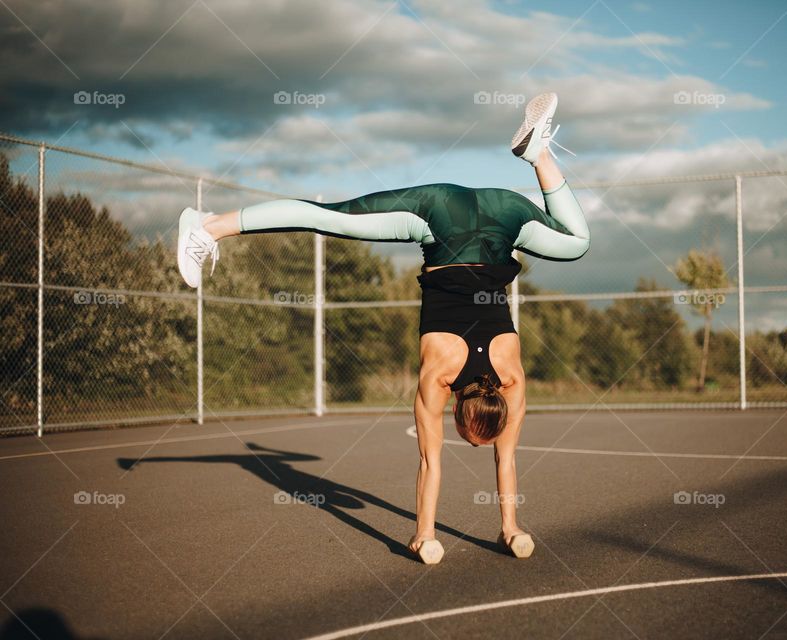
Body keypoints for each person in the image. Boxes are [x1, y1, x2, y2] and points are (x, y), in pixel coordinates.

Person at [176, 93, 589, 563]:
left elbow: (501, 456)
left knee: (577, 243)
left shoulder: (511, 377)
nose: (472, 446)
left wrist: (512, 529)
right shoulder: (439, 378)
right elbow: (433, 460)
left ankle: (537, 152)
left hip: (504, 213)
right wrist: (424, 535)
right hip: (440, 217)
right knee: (324, 217)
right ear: (458, 411)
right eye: (470, 437)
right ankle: (207, 227)